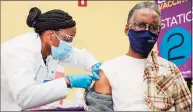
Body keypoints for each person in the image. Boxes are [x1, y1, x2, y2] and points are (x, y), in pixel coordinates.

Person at [85, 2, 191, 111]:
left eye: (153, 27)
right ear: (127, 30)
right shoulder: (108, 70)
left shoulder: (170, 69)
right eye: (140, 25)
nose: (146, 32)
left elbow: (186, 108)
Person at [1, 7, 102, 111]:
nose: (69, 44)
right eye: (68, 38)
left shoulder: (51, 50)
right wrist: (68, 81)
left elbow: (80, 56)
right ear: (50, 35)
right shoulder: (20, 51)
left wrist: (94, 65)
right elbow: (25, 97)